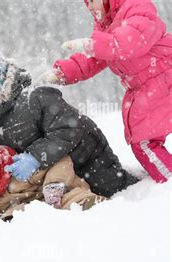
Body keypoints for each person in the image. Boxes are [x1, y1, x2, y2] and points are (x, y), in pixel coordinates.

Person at [0, 34, 138, 198]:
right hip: (47, 179)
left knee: (116, 192)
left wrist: (34, 157)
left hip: (87, 160)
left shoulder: (34, 99)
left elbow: (69, 127)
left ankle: (149, 193)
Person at [38, 0, 172, 183]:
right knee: (144, 140)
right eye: (87, 3)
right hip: (150, 84)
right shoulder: (107, 23)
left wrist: (91, 45)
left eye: (93, 1)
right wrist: (63, 72)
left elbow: (129, 41)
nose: (90, 7)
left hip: (161, 77)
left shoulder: (136, 6)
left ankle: (169, 180)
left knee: (145, 142)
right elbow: (96, 58)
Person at [0, 121, 106, 221]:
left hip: (57, 196)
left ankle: (94, 207)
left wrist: (54, 185)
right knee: (16, 214)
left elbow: (60, 160)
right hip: (31, 213)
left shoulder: (17, 165)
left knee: (73, 200)